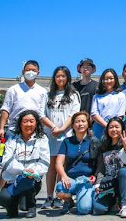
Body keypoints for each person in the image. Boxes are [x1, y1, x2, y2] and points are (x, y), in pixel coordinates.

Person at [0, 110, 50, 219]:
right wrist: (23, 170)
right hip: (13, 179)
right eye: (25, 121)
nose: (28, 124)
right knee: (3, 198)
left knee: (27, 183)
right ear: (20, 123)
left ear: (36, 123)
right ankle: (12, 206)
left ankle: (31, 206)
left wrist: (33, 172)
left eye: (31, 121)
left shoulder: (42, 138)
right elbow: (6, 161)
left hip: (32, 179)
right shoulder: (12, 138)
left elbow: (44, 161)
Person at [42, 66, 81, 209]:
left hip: (66, 135)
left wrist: (62, 129)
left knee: (62, 166)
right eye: (58, 76)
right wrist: (54, 128)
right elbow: (42, 114)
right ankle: (49, 196)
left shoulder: (73, 95)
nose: (60, 79)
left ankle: (60, 195)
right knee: (51, 166)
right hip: (51, 135)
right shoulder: (47, 95)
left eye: (63, 76)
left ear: (67, 78)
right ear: (54, 78)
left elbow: (73, 114)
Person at [55, 111, 98, 215]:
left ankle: (84, 197)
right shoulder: (67, 142)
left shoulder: (94, 141)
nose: (80, 124)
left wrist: (95, 176)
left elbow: (99, 163)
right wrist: (64, 176)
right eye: (77, 122)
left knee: (84, 209)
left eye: (83, 121)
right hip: (71, 179)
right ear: (73, 125)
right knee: (60, 188)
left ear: (88, 124)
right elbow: (58, 162)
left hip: (87, 180)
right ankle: (69, 201)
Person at [0, 61, 47, 143]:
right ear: (23, 71)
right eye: (28, 70)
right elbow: (5, 109)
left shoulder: (43, 91)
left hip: (35, 130)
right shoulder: (13, 89)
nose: (30, 72)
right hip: (14, 129)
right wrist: (1, 128)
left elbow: (44, 112)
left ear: (38, 73)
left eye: (34, 70)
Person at [92, 117, 126, 218]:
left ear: (122, 129)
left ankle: (124, 205)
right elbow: (101, 168)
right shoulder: (104, 146)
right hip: (109, 185)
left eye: (117, 127)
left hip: (124, 183)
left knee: (123, 171)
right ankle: (113, 201)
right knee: (98, 209)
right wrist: (98, 184)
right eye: (111, 127)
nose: (114, 130)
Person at [91, 69, 126, 138]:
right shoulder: (97, 96)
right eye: (106, 79)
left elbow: (120, 114)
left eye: (111, 78)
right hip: (99, 127)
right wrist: (107, 125)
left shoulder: (121, 95)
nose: (109, 81)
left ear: (115, 79)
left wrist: (112, 127)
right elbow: (94, 113)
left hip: (114, 129)